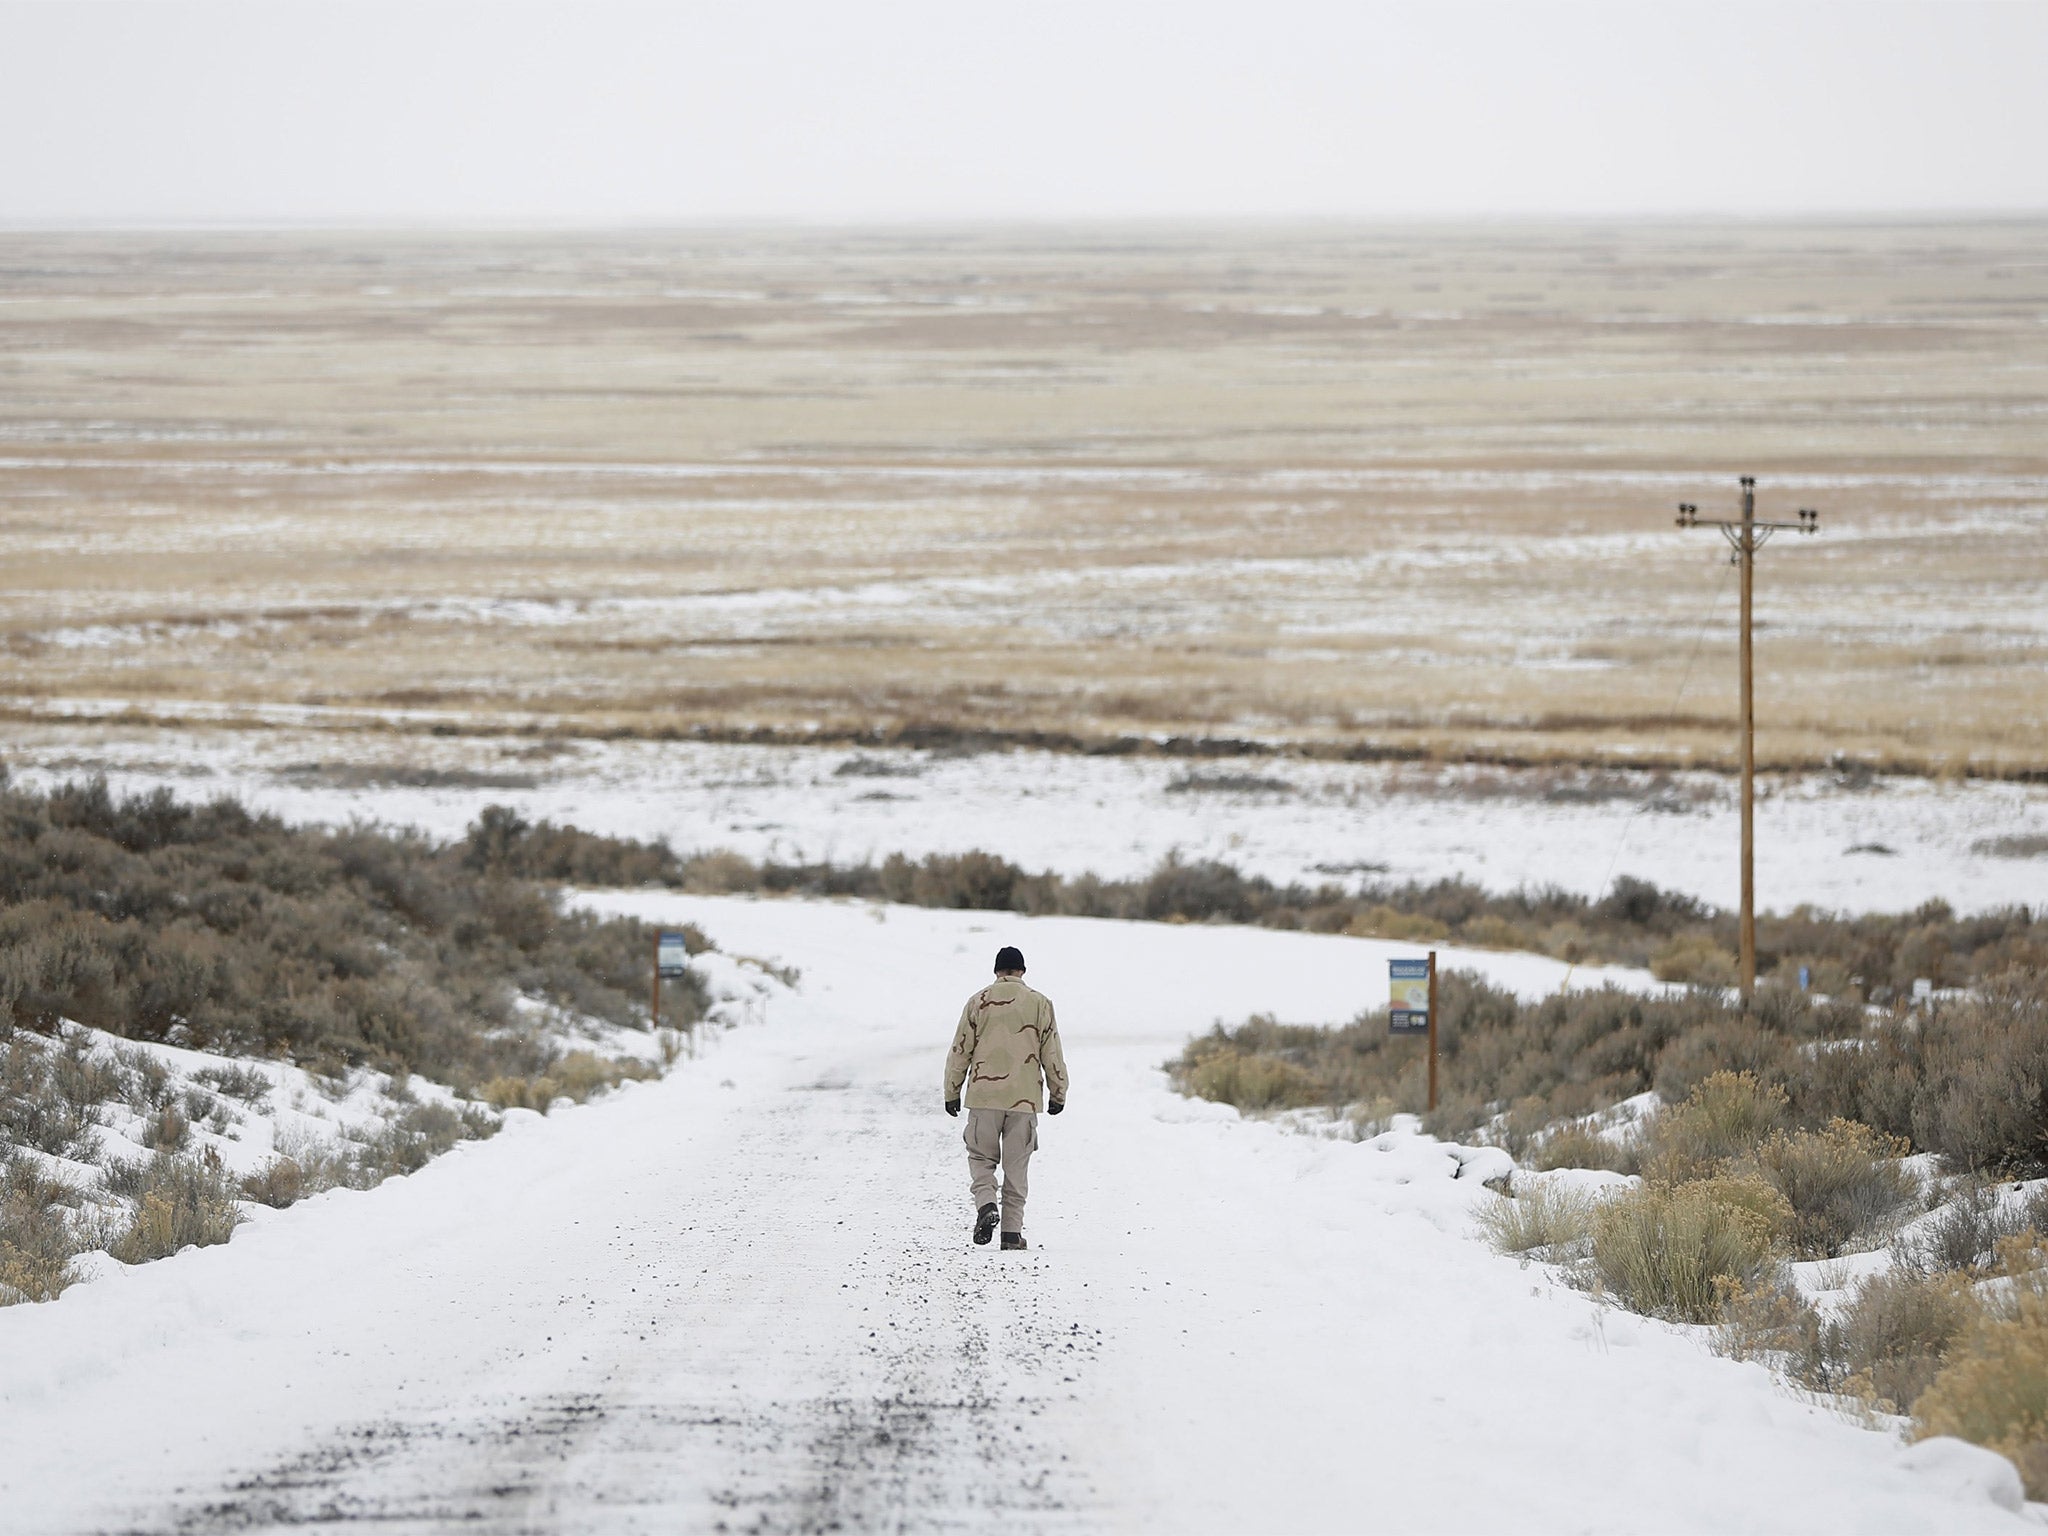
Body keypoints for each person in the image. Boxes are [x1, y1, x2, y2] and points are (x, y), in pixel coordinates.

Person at [943, 944, 1068, 1250]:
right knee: (1017, 1166)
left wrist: (952, 1091)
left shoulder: (978, 1001)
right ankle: (1011, 1234)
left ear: (997, 972)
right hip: (1024, 1101)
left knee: (981, 1157)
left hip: (984, 1098)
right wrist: (1058, 1092)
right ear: (1022, 971)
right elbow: (1051, 1051)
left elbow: (961, 1049)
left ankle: (987, 1204)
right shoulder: (1040, 1003)